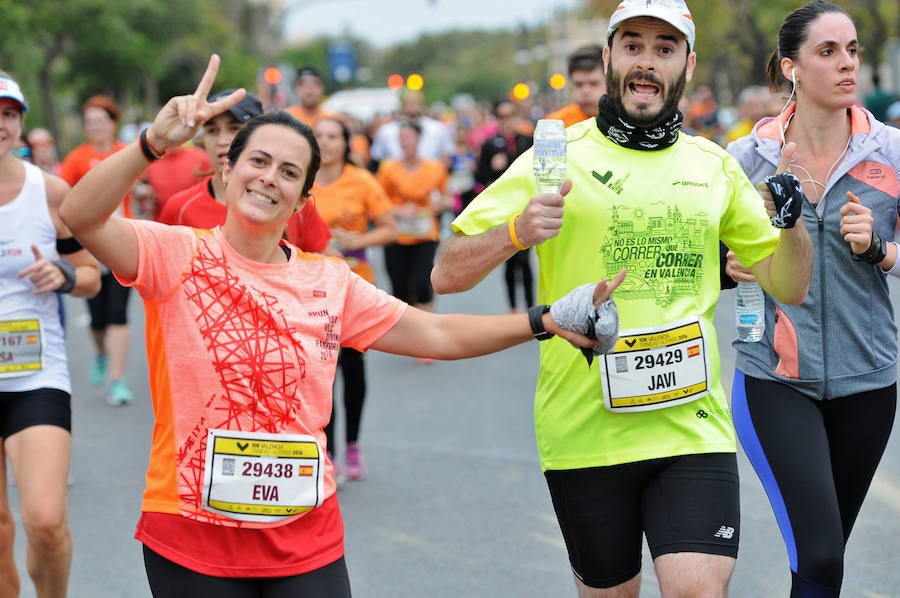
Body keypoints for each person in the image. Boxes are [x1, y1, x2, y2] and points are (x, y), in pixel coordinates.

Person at [58, 54, 622, 597]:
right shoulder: (171, 252)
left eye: (289, 172)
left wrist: (542, 319)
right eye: (257, 162)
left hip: (304, 535)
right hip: (190, 532)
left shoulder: (329, 282)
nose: (268, 179)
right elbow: (81, 216)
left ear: (305, 198)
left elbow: (438, 335)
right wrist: (151, 143)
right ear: (228, 169)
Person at [430, 1, 814, 595]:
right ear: (609, 57)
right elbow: (445, 277)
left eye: (664, 49)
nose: (647, 62)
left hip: (691, 424)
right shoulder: (556, 158)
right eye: (632, 45)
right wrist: (515, 232)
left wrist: (793, 225)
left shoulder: (712, 166)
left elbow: (790, 285)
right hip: (584, 428)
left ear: (687, 65)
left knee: (697, 589)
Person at [724, 2, 900, 596]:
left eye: (852, 49)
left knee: (821, 564)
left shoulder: (891, 154)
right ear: (791, 67)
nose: (847, 63)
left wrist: (882, 250)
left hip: (870, 384)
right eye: (828, 52)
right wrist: (730, 270)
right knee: (821, 554)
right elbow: (703, 267)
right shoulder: (746, 161)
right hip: (775, 381)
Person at [0, 72, 101, 598]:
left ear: (19, 122)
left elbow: (89, 276)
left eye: (8, 114)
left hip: (35, 373)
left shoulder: (50, 192)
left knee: (44, 520)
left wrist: (62, 276)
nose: (0, 124)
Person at [312, 116, 397, 480]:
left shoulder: (361, 181)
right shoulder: (301, 179)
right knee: (321, 376)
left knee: (353, 370)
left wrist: (357, 241)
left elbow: (391, 228)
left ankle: (353, 446)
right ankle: (326, 452)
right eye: (319, 136)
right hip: (312, 292)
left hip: (354, 287)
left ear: (346, 143)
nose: (326, 142)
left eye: (333, 136)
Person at [159, 89, 335, 256]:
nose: (222, 140)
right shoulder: (180, 208)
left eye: (234, 128)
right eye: (212, 130)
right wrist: (153, 141)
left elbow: (329, 267)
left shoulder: (289, 202)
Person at [59, 94, 136, 405]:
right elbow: (64, 201)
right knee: (97, 319)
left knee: (118, 314)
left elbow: (143, 183)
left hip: (123, 242)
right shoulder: (77, 159)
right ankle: (102, 354)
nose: (95, 127)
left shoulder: (126, 153)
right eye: (89, 122)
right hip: (89, 247)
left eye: (100, 121)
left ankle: (117, 380)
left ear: (112, 123)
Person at [376, 120, 450, 323]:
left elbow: (447, 197)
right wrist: (400, 210)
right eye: (401, 139)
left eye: (409, 138)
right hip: (396, 235)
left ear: (419, 140)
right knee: (399, 286)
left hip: (425, 233)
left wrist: (438, 205)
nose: (405, 142)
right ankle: (409, 328)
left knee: (422, 282)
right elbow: (377, 202)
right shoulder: (388, 169)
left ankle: (427, 325)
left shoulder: (435, 168)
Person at [476, 100, 534, 313]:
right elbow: (480, 177)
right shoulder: (490, 144)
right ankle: (513, 307)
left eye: (510, 116)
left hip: (525, 205)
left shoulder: (527, 140)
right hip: (504, 209)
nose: (507, 121)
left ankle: (530, 304)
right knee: (510, 259)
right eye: (502, 117)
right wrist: (492, 167)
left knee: (525, 259)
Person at [370, 90, 454, 167]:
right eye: (408, 103)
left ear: (422, 105)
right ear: (403, 106)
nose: (412, 107)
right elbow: (376, 157)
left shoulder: (438, 128)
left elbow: (448, 154)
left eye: (415, 103)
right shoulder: (386, 131)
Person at [143, 136, 212, 219]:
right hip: (162, 224)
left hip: (194, 224)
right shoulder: (151, 161)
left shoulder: (200, 157)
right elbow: (142, 191)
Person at [545, 44, 607, 127]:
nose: (585, 91)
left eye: (594, 84)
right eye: (579, 84)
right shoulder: (555, 124)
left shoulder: (625, 121)